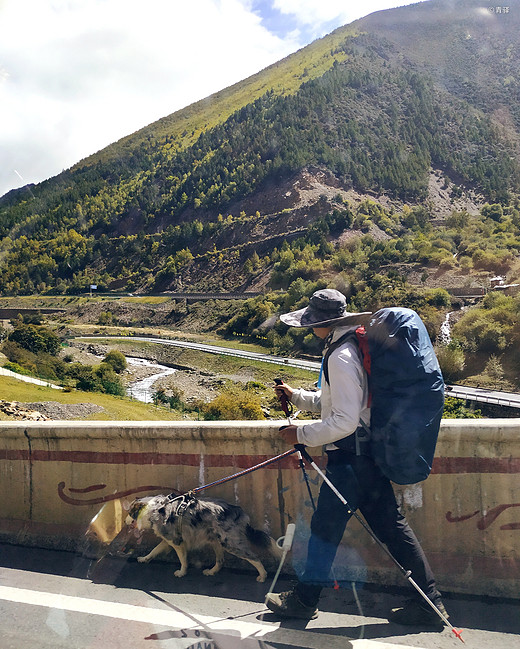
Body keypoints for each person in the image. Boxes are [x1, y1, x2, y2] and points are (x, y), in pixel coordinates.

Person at [265, 288, 448, 626]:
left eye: (311, 322)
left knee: (324, 529)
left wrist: (299, 434)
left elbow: (344, 421)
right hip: (367, 457)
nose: (308, 327)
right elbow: (340, 402)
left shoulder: (340, 355)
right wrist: (299, 397)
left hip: (350, 460)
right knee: (392, 529)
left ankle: (304, 600)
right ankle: (430, 603)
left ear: (324, 323)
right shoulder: (352, 346)